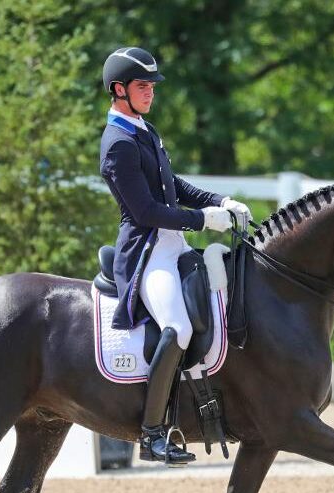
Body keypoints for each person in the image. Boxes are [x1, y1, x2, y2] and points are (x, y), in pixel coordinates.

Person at [99, 46, 252, 465]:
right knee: (178, 328)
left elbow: (173, 184)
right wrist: (204, 220)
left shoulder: (142, 129)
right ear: (119, 89)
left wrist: (221, 200)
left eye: (151, 86)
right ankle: (151, 434)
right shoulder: (117, 144)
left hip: (174, 246)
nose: (150, 92)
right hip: (147, 253)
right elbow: (146, 211)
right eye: (141, 86)